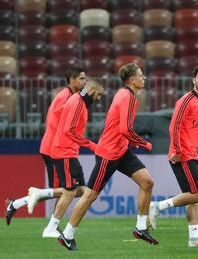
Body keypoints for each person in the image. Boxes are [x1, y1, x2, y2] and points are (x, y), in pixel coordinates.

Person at [58, 63, 158, 251]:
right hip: (109, 154)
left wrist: (131, 141)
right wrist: (144, 143)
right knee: (89, 196)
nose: (143, 78)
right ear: (131, 80)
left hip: (121, 150)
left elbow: (122, 128)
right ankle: (67, 234)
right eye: (140, 75)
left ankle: (141, 227)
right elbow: (125, 129)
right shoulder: (127, 97)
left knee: (147, 182)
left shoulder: (126, 94)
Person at [148, 65, 198, 248]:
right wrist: (177, 151)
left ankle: (194, 238)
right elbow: (174, 126)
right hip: (182, 155)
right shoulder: (185, 100)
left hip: (191, 153)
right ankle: (158, 206)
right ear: (193, 80)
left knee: (192, 197)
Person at [5, 66, 86, 227]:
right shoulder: (65, 97)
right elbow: (59, 122)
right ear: (72, 80)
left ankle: (16, 204)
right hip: (55, 151)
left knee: (75, 190)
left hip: (62, 150)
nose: (85, 82)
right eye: (82, 79)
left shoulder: (71, 96)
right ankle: (52, 227)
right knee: (64, 191)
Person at [43, 80, 103, 239]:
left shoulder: (76, 100)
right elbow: (69, 130)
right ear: (90, 90)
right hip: (65, 152)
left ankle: (38, 195)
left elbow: (58, 115)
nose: (98, 99)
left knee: (83, 191)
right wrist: (91, 145)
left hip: (69, 152)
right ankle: (51, 227)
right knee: (70, 192)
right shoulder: (78, 103)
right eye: (98, 95)